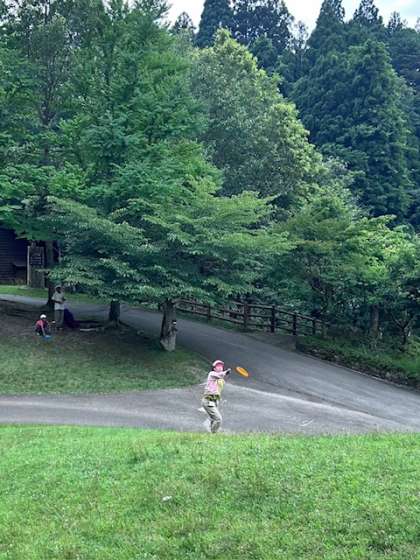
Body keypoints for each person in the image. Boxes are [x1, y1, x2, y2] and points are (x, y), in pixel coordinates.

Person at [201, 359, 231, 433]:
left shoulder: (221, 380)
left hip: (215, 400)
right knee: (218, 419)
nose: (220, 367)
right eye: (218, 366)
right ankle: (213, 434)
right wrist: (226, 372)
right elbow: (219, 375)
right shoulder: (212, 374)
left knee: (213, 419)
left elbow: (219, 383)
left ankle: (210, 431)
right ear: (214, 368)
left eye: (221, 366)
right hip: (208, 400)